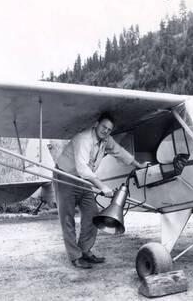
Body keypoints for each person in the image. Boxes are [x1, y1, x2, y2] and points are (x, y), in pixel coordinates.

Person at [54, 113, 148, 269]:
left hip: (84, 179)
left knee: (92, 214)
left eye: (109, 129)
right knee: (67, 219)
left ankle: (85, 251)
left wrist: (138, 165)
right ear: (96, 124)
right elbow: (82, 168)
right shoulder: (83, 139)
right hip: (65, 176)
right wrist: (102, 186)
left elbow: (120, 151)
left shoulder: (106, 140)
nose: (106, 131)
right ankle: (75, 256)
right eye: (104, 127)